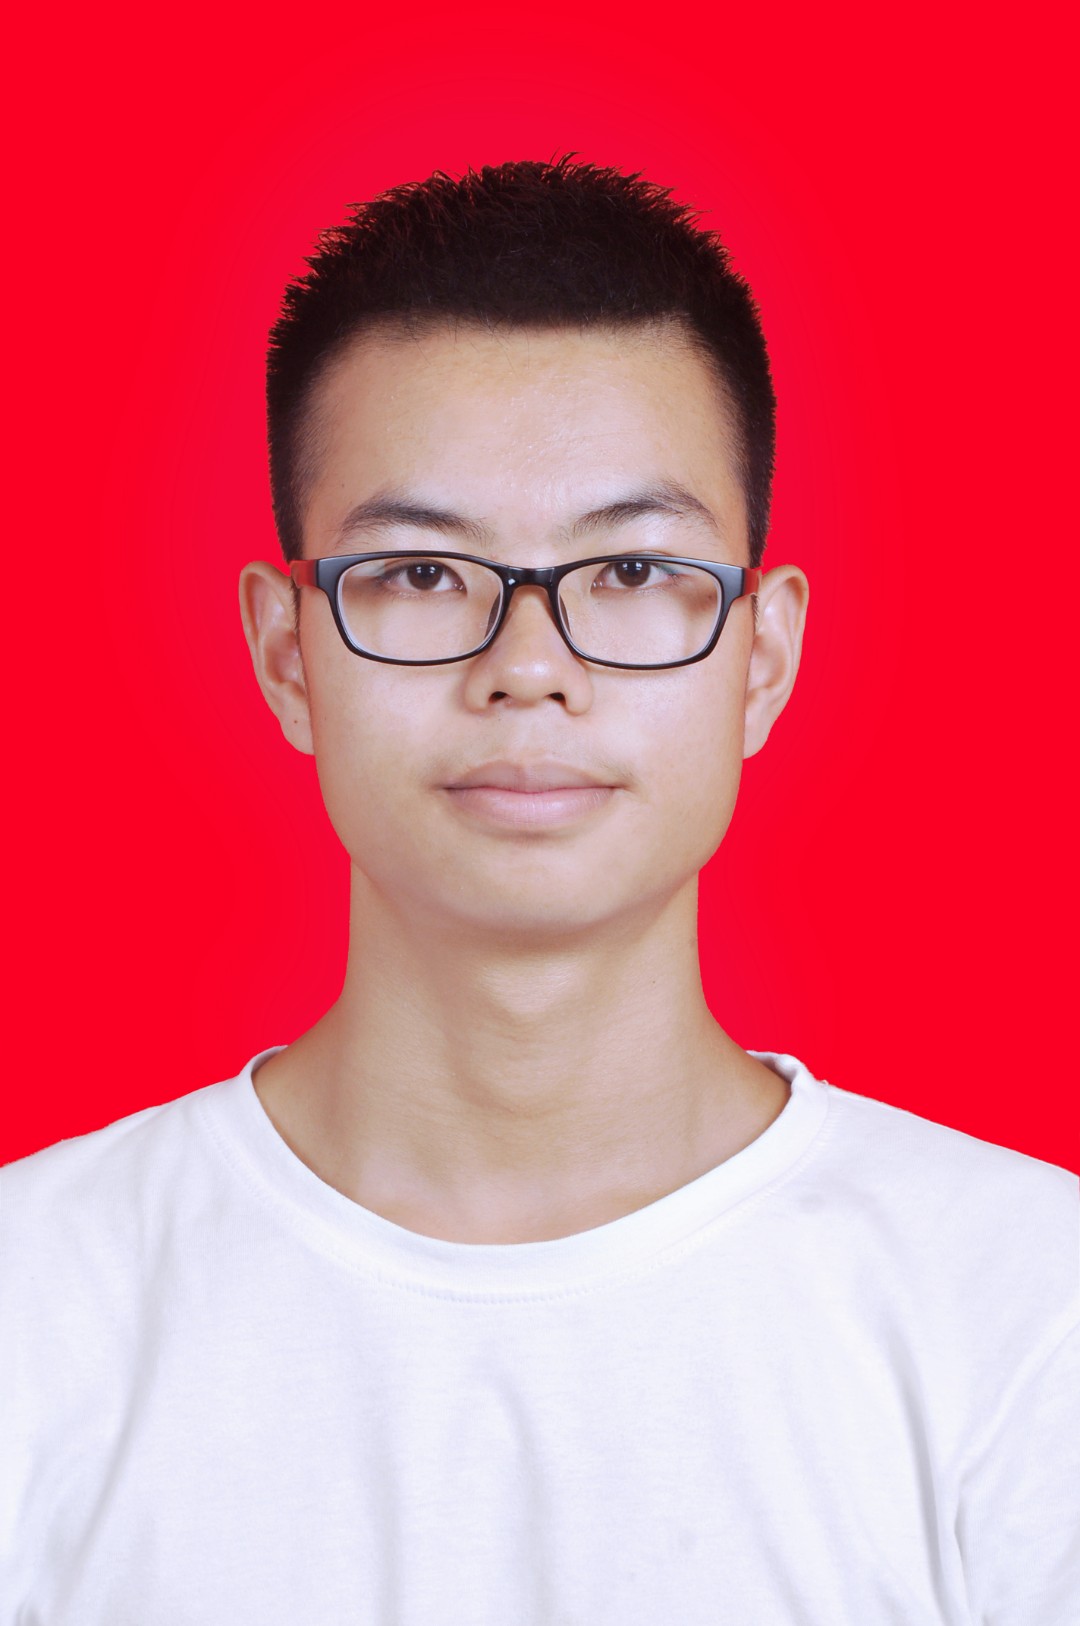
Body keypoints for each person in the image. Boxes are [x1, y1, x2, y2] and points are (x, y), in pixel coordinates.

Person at [1, 157, 1076, 1626]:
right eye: (419, 574)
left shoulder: (1029, 1316)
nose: (528, 667)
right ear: (286, 652)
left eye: (629, 570)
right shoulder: (38, 1311)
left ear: (762, 656)